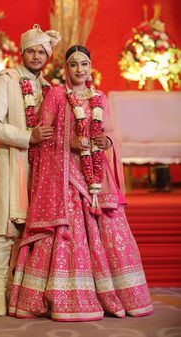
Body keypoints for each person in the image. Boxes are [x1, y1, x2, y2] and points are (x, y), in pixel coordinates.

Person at [9, 45, 153, 321]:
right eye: (73, 64)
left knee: (109, 227)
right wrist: (69, 142)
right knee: (67, 232)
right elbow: (43, 137)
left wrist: (105, 141)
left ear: (91, 67)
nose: (79, 70)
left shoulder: (100, 98)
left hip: (95, 181)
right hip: (64, 178)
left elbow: (111, 134)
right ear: (66, 68)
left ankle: (112, 293)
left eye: (84, 64)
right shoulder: (55, 96)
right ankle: (68, 296)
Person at [0, 24, 60, 317]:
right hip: (12, 162)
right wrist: (29, 137)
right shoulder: (6, 79)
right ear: (22, 52)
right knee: (5, 230)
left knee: (30, 230)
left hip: (41, 169)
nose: (37, 56)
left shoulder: (49, 88)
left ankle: (19, 289)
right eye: (32, 50)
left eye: (42, 51)